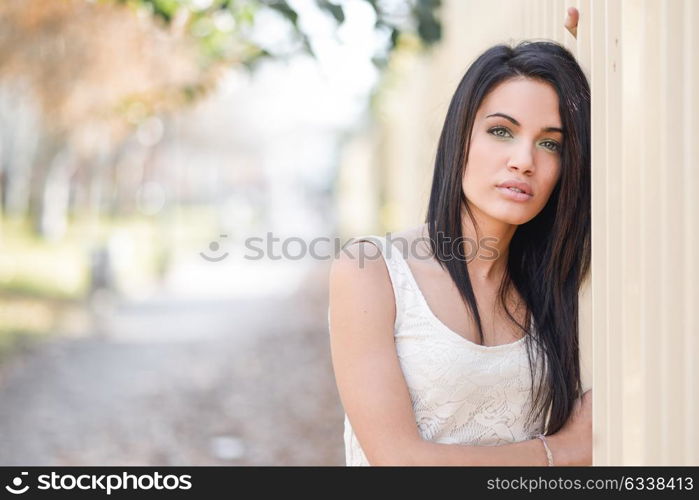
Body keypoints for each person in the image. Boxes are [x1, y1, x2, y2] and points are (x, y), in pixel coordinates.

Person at [328, 34, 592, 466]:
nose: (524, 160)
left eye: (550, 143)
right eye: (501, 131)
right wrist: (559, 453)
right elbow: (396, 461)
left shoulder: (559, 281)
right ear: (459, 139)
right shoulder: (372, 271)